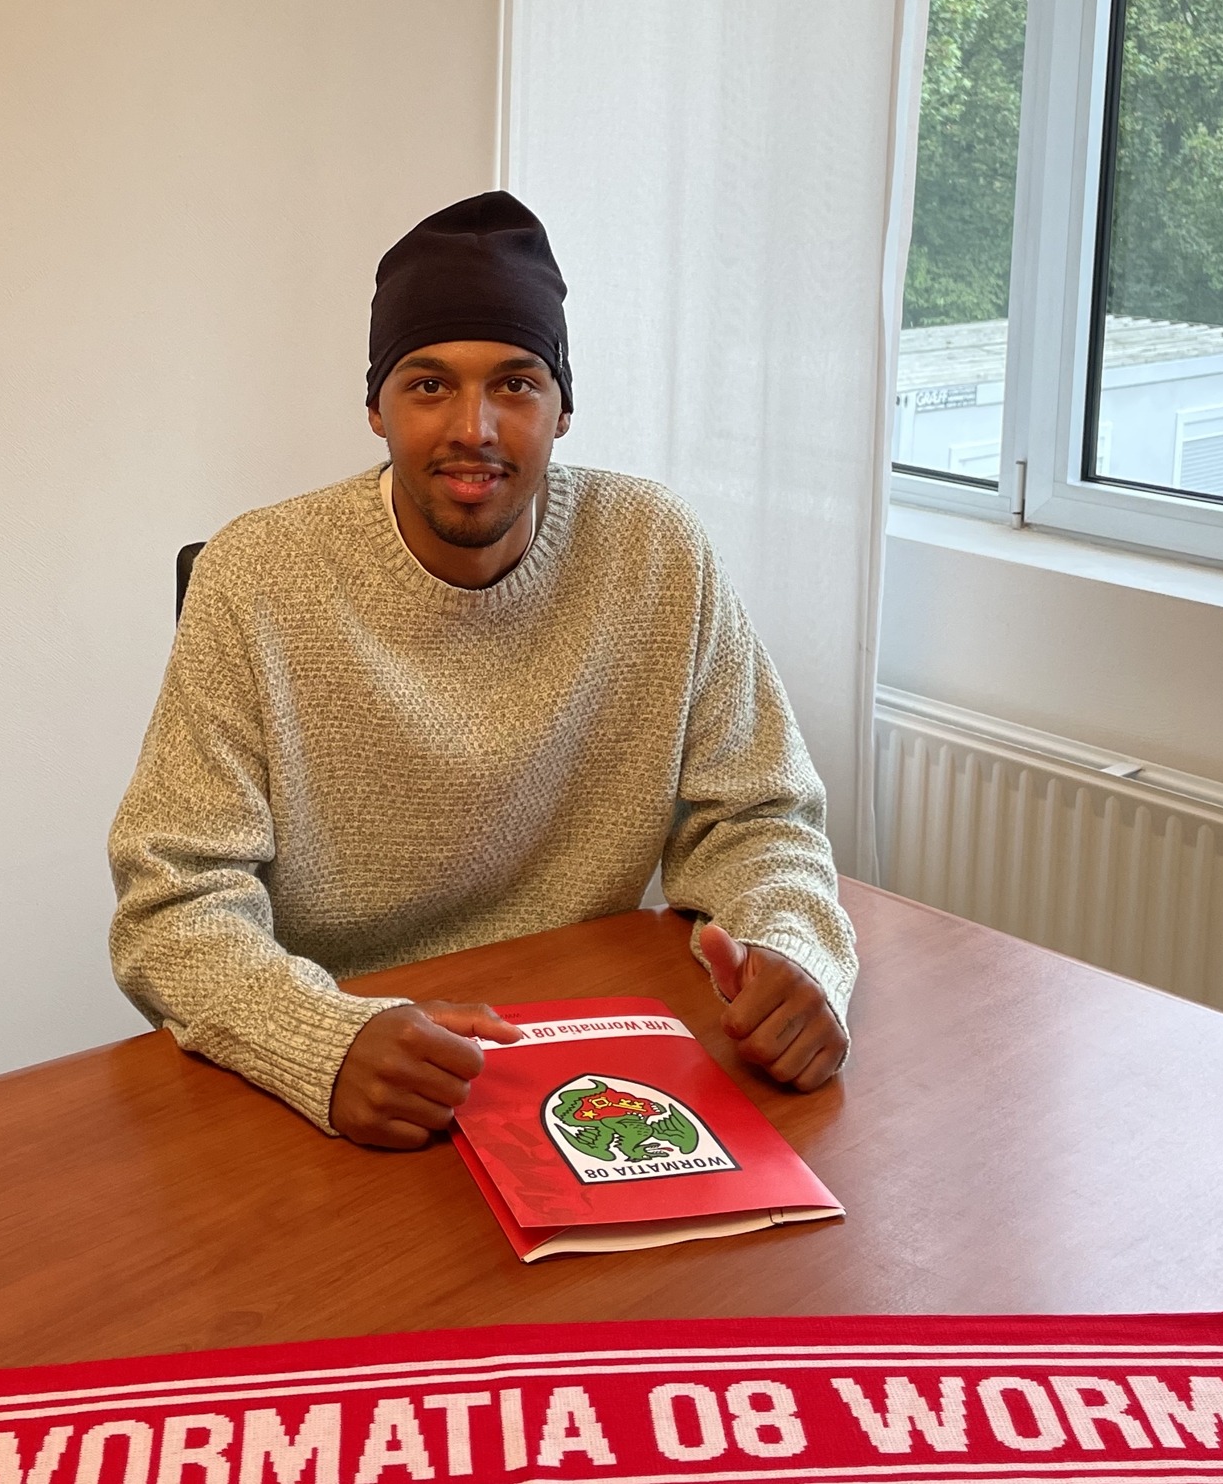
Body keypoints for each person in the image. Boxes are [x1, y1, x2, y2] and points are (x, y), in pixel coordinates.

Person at [108, 191, 858, 1149]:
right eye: (429, 385)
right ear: (374, 408)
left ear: (563, 407)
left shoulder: (657, 550)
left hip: (584, 1045)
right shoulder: (255, 576)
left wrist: (792, 949)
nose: (476, 428)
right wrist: (322, 1040)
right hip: (347, 1068)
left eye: (515, 383)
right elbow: (172, 900)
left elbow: (755, 816)